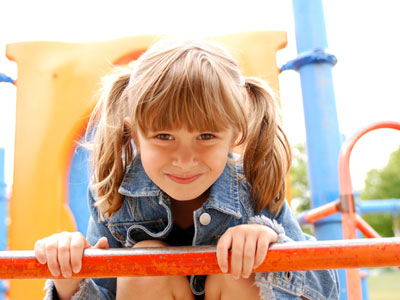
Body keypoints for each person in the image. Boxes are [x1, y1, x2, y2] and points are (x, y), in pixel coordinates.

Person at [34, 38, 339, 300]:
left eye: (205, 136)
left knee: (239, 269)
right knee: (145, 263)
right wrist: (69, 278)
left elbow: (327, 287)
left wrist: (274, 247)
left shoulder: (254, 189)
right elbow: (104, 291)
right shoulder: (115, 199)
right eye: (164, 136)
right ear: (135, 135)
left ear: (235, 135)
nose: (184, 159)